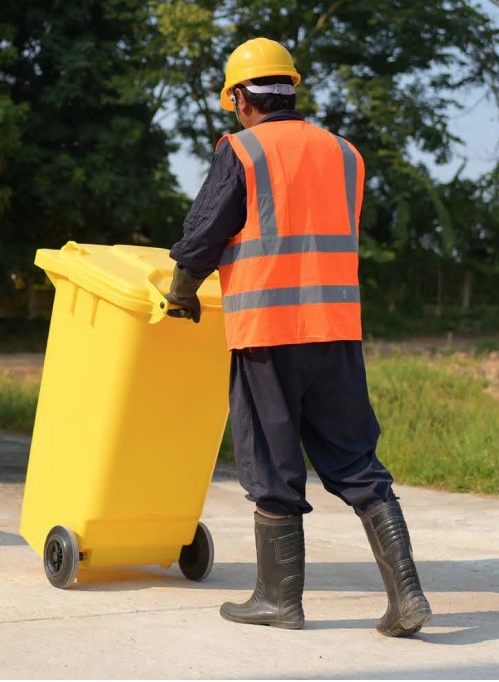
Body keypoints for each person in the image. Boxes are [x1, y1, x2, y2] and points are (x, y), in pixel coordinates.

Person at [164, 37, 431, 636]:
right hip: (336, 331)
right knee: (356, 461)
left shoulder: (242, 150)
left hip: (269, 331)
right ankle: (407, 597)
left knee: (271, 463)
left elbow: (205, 231)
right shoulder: (345, 154)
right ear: (290, 89)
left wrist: (182, 289)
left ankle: (278, 600)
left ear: (241, 97)